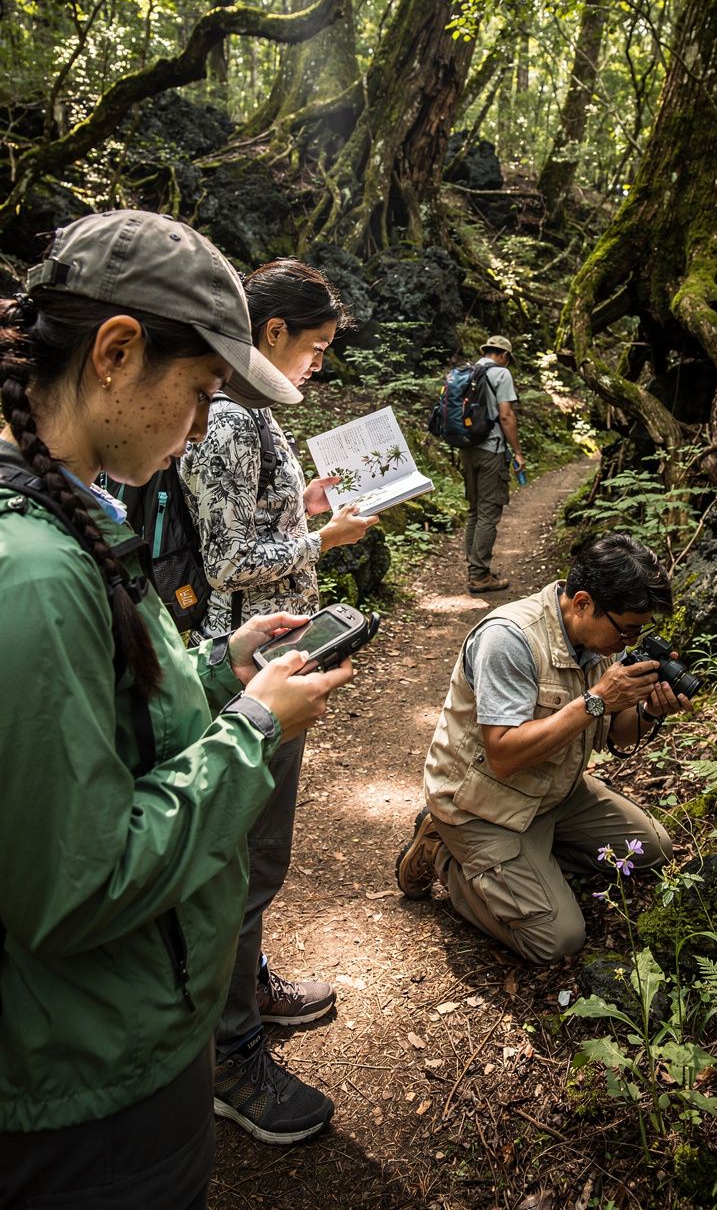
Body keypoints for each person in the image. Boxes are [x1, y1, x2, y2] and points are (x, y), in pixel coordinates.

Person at [0, 210, 353, 1210]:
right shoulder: (29, 571)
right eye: (198, 393)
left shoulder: (64, 516)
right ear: (116, 353)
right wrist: (249, 733)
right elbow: (75, 883)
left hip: (105, 1035)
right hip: (84, 1081)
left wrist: (214, 662)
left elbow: (99, 726)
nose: (201, 427)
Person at [179, 259, 378, 1145]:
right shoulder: (226, 418)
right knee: (247, 859)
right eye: (318, 349)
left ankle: (247, 986)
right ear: (271, 335)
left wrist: (296, 507)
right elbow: (225, 558)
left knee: (261, 855)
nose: (319, 367)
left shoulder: (255, 416)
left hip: (272, 646)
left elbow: (248, 521)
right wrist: (319, 535)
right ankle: (229, 1055)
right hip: (242, 661)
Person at [395, 533, 690, 964]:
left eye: (639, 631)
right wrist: (597, 700)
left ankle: (530, 862)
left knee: (651, 851)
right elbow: (504, 754)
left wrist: (647, 710)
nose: (629, 642)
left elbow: (617, 734)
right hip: (483, 805)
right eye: (626, 628)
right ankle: (443, 852)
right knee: (557, 940)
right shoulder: (510, 640)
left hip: (555, 792)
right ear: (584, 602)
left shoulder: (596, 640)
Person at [462, 335, 525, 596]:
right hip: (491, 451)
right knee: (488, 512)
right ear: (504, 355)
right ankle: (479, 576)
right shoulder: (501, 374)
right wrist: (518, 453)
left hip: (467, 450)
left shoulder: (466, 371)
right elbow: (506, 415)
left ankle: (474, 569)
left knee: (475, 511)